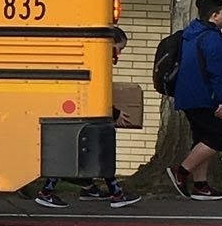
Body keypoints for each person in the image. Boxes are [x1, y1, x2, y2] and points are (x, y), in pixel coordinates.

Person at [34, 26, 143, 209]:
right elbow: (96, 92)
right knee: (100, 148)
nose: (119, 55)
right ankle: (115, 193)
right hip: (82, 111)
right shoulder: (97, 62)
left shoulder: (87, 58)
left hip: (72, 109)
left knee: (78, 150)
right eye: (119, 48)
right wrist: (115, 113)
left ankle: (88, 187)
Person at [166, 0, 222, 201]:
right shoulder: (213, 38)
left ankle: (201, 185)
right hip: (207, 97)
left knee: (202, 139)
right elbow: (218, 71)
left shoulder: (189, 34)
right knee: (216, 138)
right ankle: (182, 172)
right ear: (214, 15)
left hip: (188, 96)